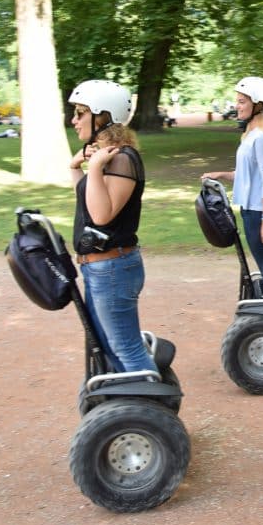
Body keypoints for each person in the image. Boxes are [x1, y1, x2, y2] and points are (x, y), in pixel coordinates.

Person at [68, 79, 157, 374]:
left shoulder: (122, 159)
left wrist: (93, 168)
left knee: (125, 348)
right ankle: (128, 399)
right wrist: (76, 168)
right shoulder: (107, 157)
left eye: (80, 113)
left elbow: (101, 216)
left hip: (113, 268)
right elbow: (87, 201)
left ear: (103, 116)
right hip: (101, 267)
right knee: (107, 347)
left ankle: (152, 399)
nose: (74, 120)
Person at [202, 76, 263, 300]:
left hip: (260, 213)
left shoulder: (262, 138)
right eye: (237, 101)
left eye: (242, 101)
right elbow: (248, 176)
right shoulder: (251, 135)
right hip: (253, 210)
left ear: (258, 104)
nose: (237, 106)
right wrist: (221, 175)